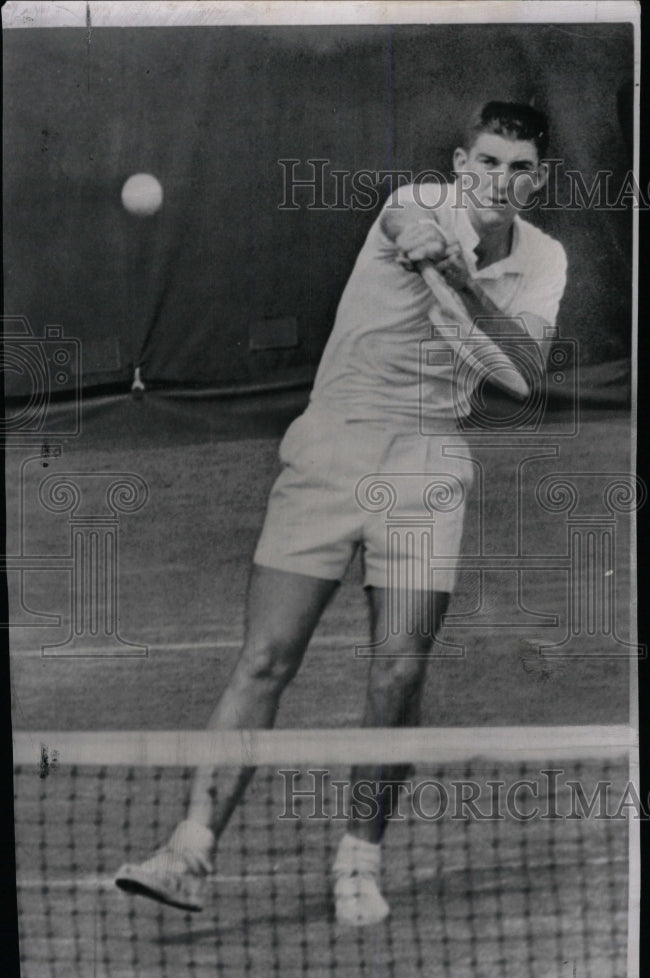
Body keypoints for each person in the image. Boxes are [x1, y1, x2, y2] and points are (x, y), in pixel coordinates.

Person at [115, 101, 567, 926]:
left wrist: (464, 281)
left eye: (519, 167)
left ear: (539, 179)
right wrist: (425, 241)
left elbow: (526, 376)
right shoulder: (418, 203)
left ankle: (359, 862)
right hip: (334, 443)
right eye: (488, 162)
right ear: (463, 164)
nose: (500, 180)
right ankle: (189, 852)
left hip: (429, 458)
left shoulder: (543, 260)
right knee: (266, 659)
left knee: (398, 670)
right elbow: (402, 220)